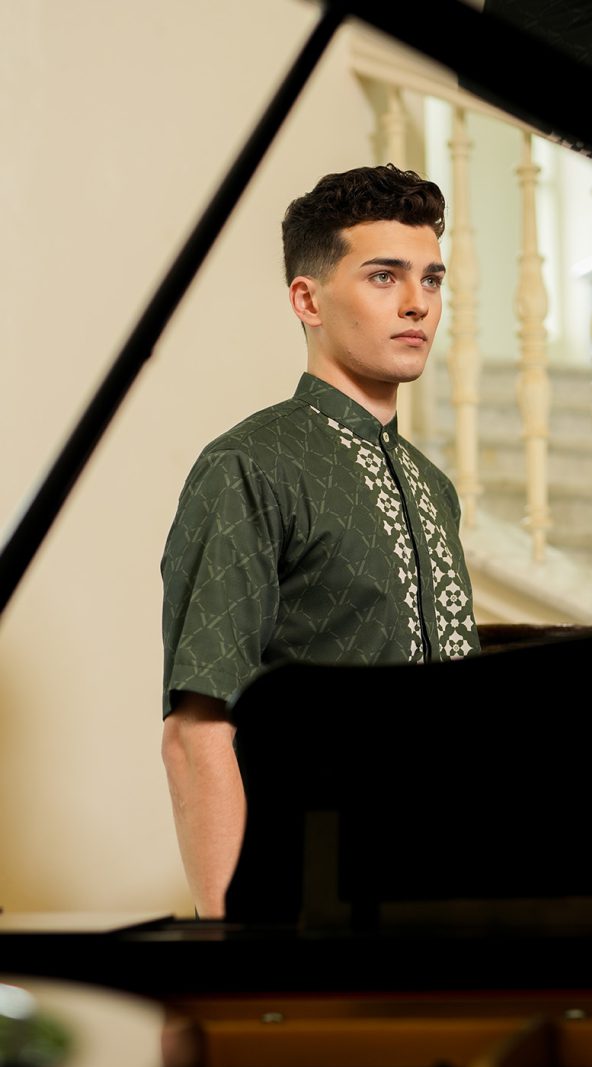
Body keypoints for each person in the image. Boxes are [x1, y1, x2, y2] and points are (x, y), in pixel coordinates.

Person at [160, 163, 481, 918]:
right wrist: (232, 944)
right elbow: (197, 731)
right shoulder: (248, 466)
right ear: (308, 299)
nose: (417, 303)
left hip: (456, 899)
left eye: (432, 280)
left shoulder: (434, 488)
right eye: (383, 276)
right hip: (320, 905)